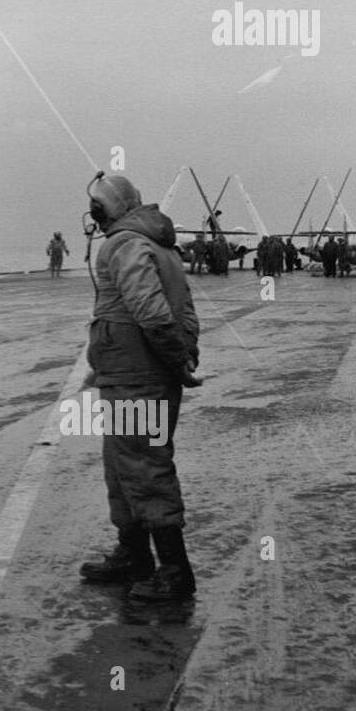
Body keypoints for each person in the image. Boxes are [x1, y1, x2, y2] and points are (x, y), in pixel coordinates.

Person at [78, 173, 201, 602]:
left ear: (104, 208)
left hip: (137, 379)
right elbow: (184, 308)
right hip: (130, 374)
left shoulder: (124, 243)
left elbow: (150, 311)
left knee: (144, 468)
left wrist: (174, 361)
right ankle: (133, 555)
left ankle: (174, 571)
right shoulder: (159, 245)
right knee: (121, 465)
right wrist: (184, 355)